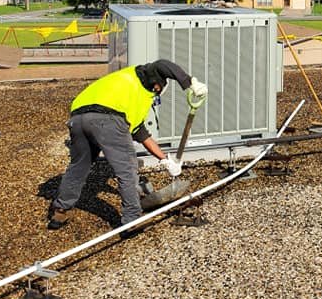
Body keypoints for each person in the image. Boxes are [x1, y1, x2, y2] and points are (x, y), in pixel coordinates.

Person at [47, 59, 208, 231]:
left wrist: (165, 160)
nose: (156, 94)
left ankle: (60, 211)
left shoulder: (120, 86)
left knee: (79, 166)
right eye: (158, 91)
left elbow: (141, 134)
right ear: (157, 85)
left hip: (78, 118)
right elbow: (162, 64)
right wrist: (189, 82)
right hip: (108, 118)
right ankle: (130, 221)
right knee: (127, 169)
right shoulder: (141, 76)